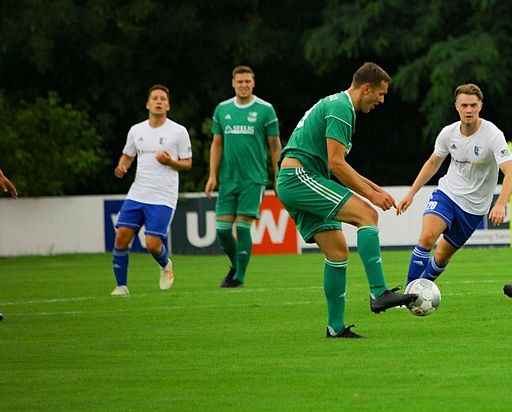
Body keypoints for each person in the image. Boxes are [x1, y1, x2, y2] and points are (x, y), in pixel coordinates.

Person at [275, 62, 417, 339]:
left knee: (338, 252)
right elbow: (336, 164)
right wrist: (372, 197)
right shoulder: (341, 108)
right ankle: (379, 293)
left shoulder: (337, 104)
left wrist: (375, 188)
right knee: (368, 215)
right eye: (381, 94)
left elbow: (340, 165)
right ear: (366, 88)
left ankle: (335, 328)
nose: (381, 100)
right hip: (300, 177)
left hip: (297, 179)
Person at [397, 83, 512, 284]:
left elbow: (511, 172)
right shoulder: (448, 133)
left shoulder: (493, 135)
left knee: (441, 256)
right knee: (427, 237)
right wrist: (411, 193)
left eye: (473, 105)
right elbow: (433, 163)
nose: (469, 110)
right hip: (448, 194)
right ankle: (409, 292)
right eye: (464, 105)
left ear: (480, 106)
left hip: (474, 208)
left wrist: (500, 203)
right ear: (456, 106)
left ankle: (421, 289)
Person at [111, 85, 193, 296]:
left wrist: (170, 162)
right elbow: (128, 155)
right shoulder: (136, 130)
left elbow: (187, 163)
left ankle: (166, 265)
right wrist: (122, 167)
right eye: (155, 98)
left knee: (152, 244)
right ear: (148, 104)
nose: (158, 102)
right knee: (121, 237)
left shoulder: (178, 131)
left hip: (163, 196)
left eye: (162, 99)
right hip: (137, 193)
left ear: (168, 105)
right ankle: (121, 287)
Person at [204, 66, 281, 288]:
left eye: (248, 81)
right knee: (222, 231)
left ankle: (238, 278)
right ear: (233, 83)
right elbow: (216, 144)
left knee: (243, 227)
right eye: (240, 81)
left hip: (253, 179)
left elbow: (275, 146)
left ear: (253, 83)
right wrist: (212, 175)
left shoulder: (265, 110)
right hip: (228, 179)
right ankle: (236, 265)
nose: (244, 85)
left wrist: (278, 175)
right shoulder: (222, 109)